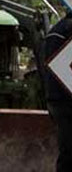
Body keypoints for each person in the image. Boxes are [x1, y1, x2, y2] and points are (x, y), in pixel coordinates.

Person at [42, 11, 72, 172]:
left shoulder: (56, 30)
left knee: (67, 152)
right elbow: (62, 67)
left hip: (56, 100)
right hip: (66, 101)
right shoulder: (68, 30)